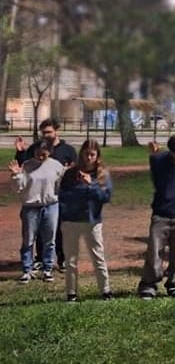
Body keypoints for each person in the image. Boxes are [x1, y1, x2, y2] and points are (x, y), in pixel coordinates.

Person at [137, 135, 175, 299]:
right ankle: (149, 285)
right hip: (161, 214)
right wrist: (155, 152)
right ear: (171, 152)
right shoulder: (158, 160)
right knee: (154, 253)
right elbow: (157, 180)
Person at [15, 118, 77, 272]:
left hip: (61, 195)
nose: (46, 135)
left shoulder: (67, 150)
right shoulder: (37, 148)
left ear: (57, 131)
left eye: (49, 132)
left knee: (61, 229)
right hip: (40, 195)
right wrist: (21, 151)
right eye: (43, 133)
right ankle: (41, 259)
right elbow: (23, 166)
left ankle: (62, 259)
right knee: (41, 230)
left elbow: (74, 168)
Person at [58, 140, 113, 302]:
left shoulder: (102, 174)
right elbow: (63, 196)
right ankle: (71, 293)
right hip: (71, 221)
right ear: (81, 153)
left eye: (92, 154)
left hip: (92, 221)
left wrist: (91, 186)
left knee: (98, 256)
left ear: (97, 156)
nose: (89, 157)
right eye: (86, 153)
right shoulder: (71, 173)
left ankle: (106, 291)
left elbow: (105, 197)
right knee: (71, 259)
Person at [8, 140, 66, 284]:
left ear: (49, 153)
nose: (41, 157)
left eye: (44, 155)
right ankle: (27, 270)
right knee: (28, 240)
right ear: (34, 152)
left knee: (49, 240)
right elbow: (18, 188)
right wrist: (16, 175)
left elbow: (61, 184)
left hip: (51, 205)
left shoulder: (55, 165)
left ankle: (47, 269)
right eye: (39, 154)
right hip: (31, 207)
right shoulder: (27, 165)